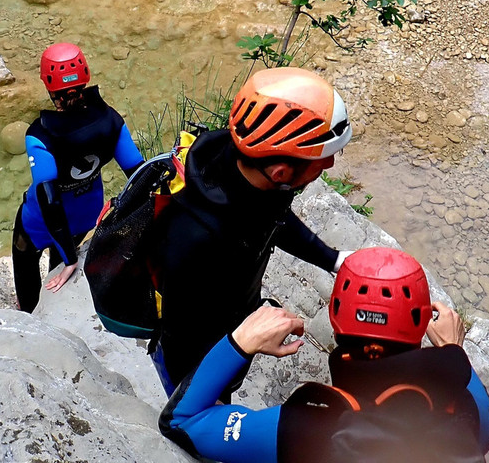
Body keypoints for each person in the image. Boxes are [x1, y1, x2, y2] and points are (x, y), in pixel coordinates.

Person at [159, 247, 489, 463]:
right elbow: (486, 426)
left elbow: (182, 421)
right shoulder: (465, 410)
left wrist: (240, 342)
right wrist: (453, 352)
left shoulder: (307, 428)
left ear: (334, 321)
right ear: (423, 322)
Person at [146, 67, 356, 398]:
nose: (328, 167)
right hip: (192, 351)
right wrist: (244, 343)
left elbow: (274, 218)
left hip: (231, 310)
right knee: (203, 406)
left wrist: (334, 260)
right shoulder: (194, 236)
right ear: (281, 172)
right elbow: (182, 335)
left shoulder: (249, 169)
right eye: (323, 161)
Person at [12, 42, 144, 313]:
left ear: (50, 89)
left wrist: (72, 260)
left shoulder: (41, 134)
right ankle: (58, 270)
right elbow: (139, 175)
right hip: (87, 214)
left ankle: (27, 309)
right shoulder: (110, 120)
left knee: (23, 253)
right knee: (61, 254)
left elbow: (48, 199)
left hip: (41, 223)